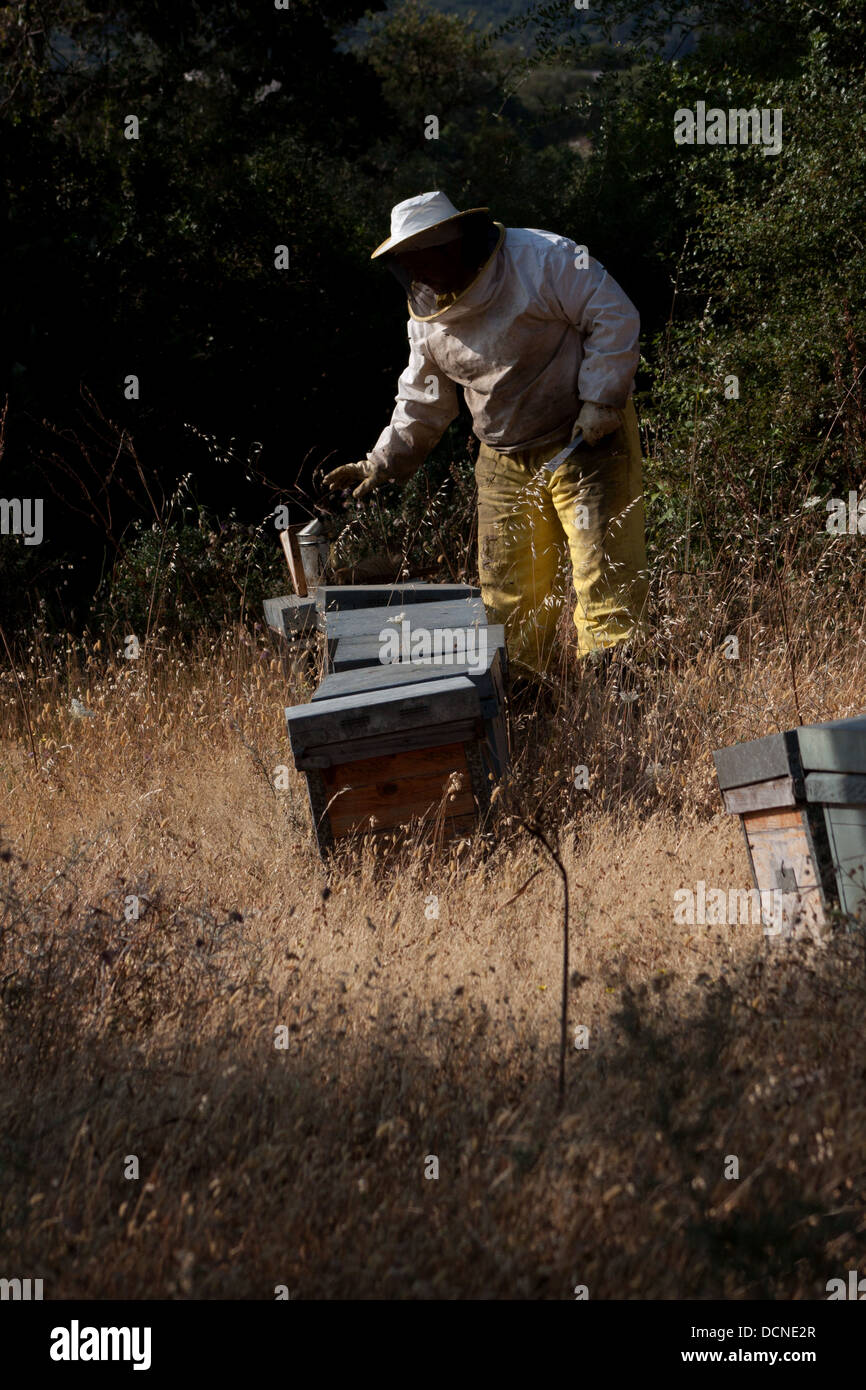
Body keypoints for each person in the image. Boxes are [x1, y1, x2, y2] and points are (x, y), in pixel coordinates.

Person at [323, 191, 648, 678]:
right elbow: (423, 397)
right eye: (407, 265)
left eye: (421, 261)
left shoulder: (544, 258)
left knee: (603, 577)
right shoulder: (427, 316)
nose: (418, 276)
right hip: (503, 457)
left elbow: (614, 315)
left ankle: (619, 699)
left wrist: (600, 399)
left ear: (450, 244)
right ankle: (525, 702)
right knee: (507, 598)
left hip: (585, 441)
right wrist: (381, 461)